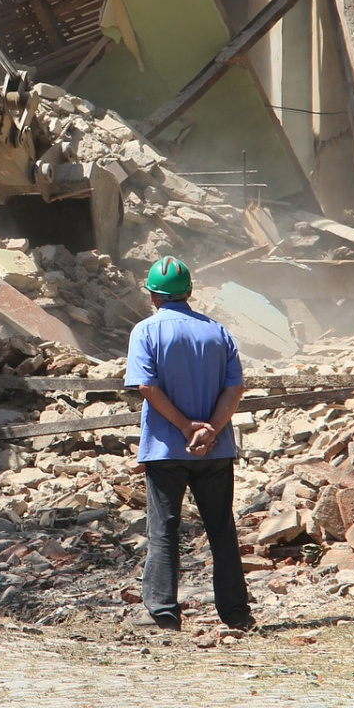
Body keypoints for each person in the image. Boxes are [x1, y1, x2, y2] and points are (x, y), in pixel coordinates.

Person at [124, 255, 254, 632]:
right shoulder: (218, 332)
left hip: (166, 450)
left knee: (163, 529)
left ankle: (162, 613)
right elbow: (236, 388)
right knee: (221, 529)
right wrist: (210, 429)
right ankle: (236, 613)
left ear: (152, 296)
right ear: (190, 293)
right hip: (215, 450)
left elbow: (146, 386)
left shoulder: (145, 331)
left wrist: (184, 427)